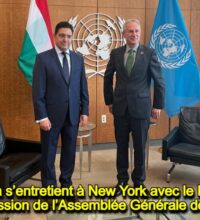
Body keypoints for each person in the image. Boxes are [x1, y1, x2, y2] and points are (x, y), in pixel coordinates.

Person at [103, 19, 165, 194]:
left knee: (139, 147)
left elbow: (159, 80)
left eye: (137, 31)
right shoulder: (115, 53)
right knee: (121, 146)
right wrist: (109, 101)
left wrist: (158, 105)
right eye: (130, 31)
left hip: (141, 108)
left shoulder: (149, 53)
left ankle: (138, 183)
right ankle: (122, 181)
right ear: (124, 34)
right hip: (120, 108)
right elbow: (108, 78)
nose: (134, 34)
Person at [32, 21, 89, 188]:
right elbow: (38, 91)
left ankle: (66, 184)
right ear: (55, 36)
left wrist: (84, 110)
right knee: (49, 154)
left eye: (69, 36)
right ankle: (49, 188)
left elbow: (82, 87)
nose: (66, 39)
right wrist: (41, 116)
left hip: (72, 115)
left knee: (69, 153)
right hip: (50, 117)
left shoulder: (78, 59)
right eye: (62, 35)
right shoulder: (43, 59)